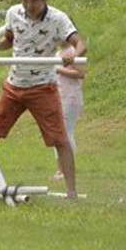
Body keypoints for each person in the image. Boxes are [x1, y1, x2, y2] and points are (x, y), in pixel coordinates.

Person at [0, 0, 85, 199]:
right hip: (13, 87)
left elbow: (80, 42)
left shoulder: (58, 18)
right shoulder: (14, 12)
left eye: (34, 1)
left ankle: (71, 193)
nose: (29, 6)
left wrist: (74, 53)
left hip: (43, 88)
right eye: (25, 0)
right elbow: (9, 40)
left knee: (60, 139)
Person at [51, 44, 86, 180]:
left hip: (70, 97)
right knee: (58, 133)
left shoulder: (72, 52)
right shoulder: (58, 53)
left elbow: (81, 73)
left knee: (67, 132)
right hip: (58, 96)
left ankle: (65, 170)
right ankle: (60, 169)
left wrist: (59, 70)